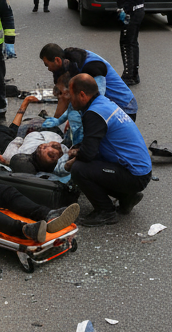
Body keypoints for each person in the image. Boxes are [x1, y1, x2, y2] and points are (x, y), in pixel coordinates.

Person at [52, 73, 152, 227]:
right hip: (140, 170)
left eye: (71, 96)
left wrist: (68, 163)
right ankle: (127, 197)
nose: (70, 100)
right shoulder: (101, 103)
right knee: (89, 164)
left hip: (134, 174)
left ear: (83, 95)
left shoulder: (94, 114)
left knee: (79, 169)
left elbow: (87, 154)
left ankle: (105, 212)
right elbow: (92, 145)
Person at [38, 43, 138, 120]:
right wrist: (55, 122)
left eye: (47, 65)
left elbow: (98, 102)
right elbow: (64, 97)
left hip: (124, 109)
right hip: (108, 107)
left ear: (57, 60)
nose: (48, 69)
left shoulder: (91, 67)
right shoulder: (67, 64)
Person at [116, 0, 145, 85]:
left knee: (126, 43)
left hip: (132, 13)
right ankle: (134, 73)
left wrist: (125, 11)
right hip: (137, 11)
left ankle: (129, 75)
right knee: (132, 42)